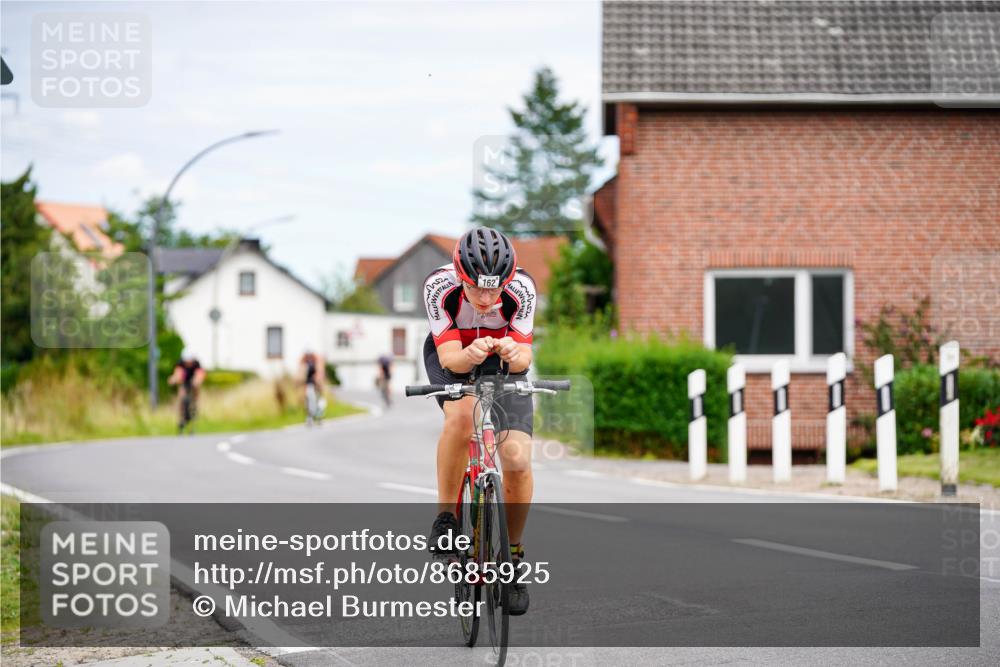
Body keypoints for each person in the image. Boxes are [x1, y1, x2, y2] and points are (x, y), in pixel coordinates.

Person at [421, 227, 537, 615]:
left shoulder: (522, 288)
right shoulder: (439, 286)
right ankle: (445, 518)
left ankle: (512, 558)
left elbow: (523, 359)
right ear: (460, 277)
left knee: (517, 457)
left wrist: (512, 353)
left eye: (495, 290)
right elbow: (451, 359)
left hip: (502, 361)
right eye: (476, 289)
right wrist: (471, 354)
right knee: (460, 418)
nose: (487, 300)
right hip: (453, 354)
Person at [167, 349, 206, 434]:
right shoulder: (180, 363)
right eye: (186, 362)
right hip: (184, 382)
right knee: (182, 396)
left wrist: (197, 381)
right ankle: (181, 419)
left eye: (189, 361)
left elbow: (200, 374)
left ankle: (193, 421)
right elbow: (178, 373)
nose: (188, 363)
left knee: (195, 391)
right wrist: (173, 379)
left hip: (193, 381)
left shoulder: (196, 364)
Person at [299, 349, 325, 425]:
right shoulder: (305, 363)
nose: (309, 357)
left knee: (318, 401)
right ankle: (310, 417)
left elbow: (320, 375)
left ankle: (319, 417)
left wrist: (319, 384)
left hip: (316, 386)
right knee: (309, 402)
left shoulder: (317, 363)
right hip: (309, 385)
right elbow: (301, 376)